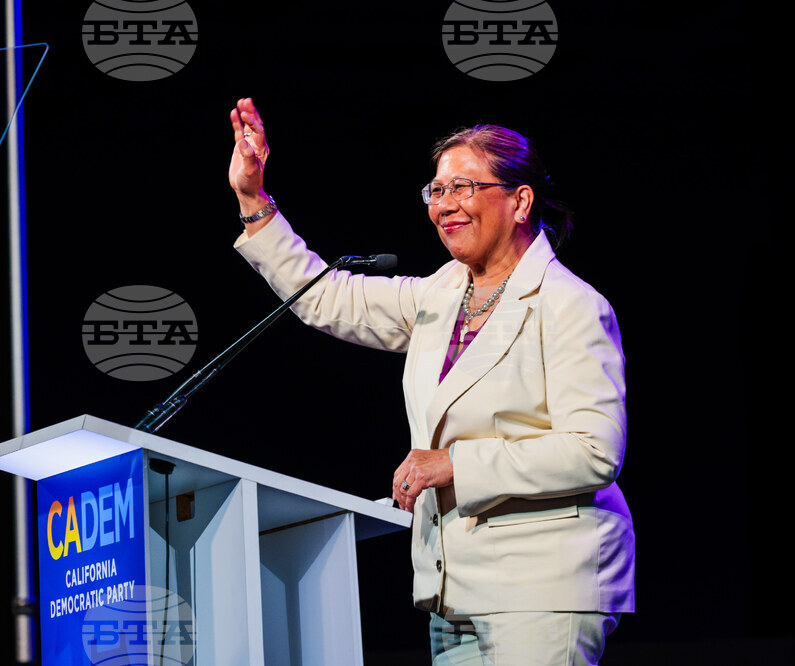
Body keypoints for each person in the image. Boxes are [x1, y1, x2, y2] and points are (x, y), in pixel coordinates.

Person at [228, 97, 635, 665]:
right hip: (454, 591)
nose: (444, 205)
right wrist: (254, 200)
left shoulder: (569, 305)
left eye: (463, 188)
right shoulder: (441, 294)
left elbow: (593, 452)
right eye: (436, 191)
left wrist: (454, 465)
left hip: (542, 585)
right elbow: (323, 296)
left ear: (520, 201)